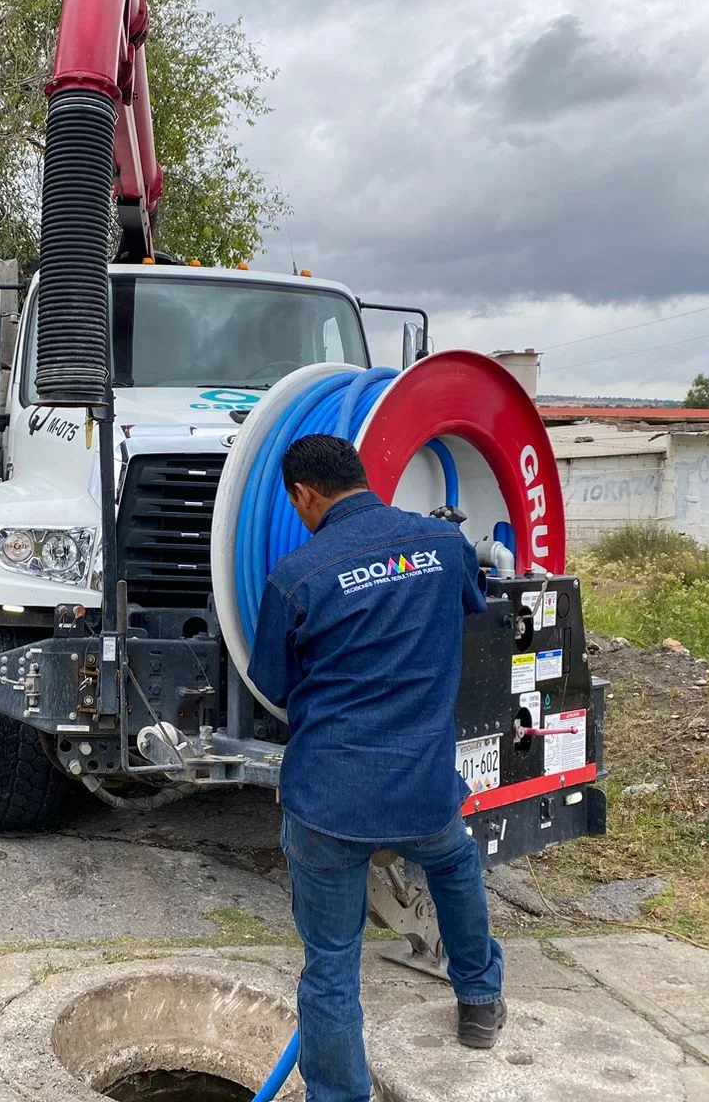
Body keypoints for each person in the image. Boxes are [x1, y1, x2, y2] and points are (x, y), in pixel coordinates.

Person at [248, 434, 505, 1101]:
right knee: (454, 866)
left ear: (304, 495)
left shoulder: (297, 575)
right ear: (360, 477)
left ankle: (339, 1096)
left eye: (296, 503)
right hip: (421, 786)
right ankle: (479, 999)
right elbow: (473, 609)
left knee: (331, 962)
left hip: (328, 799)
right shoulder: (445, 548)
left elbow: (273, 688)